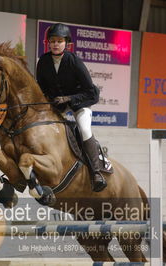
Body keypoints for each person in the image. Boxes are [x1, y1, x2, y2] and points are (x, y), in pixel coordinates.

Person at [36, 23, 107, 192]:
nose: (55, 44)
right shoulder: (44, 62)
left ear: (66, 43)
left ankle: (96, 172)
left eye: (59, 41)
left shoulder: (74, 62)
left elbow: (91, 93)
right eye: (52, 41)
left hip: (80, 103)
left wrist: (68, 98)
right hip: (57, 105)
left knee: (84, 129)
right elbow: (42, 88)